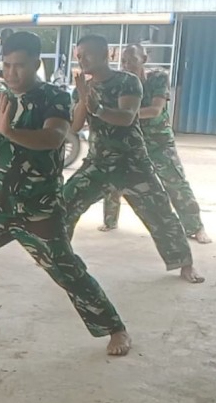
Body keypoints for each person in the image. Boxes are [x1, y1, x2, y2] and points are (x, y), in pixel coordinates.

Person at [0, 32, 132, 356]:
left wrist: (9, 131)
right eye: (7, 65)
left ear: (36, 64)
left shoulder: (52, 97)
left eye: (20, 66)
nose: (11, 73)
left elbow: (54, 138)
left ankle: (115, 328)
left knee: (66, 271)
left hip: (39, 207)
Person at [64, 35, 204, 284]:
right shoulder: (84, 88)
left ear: (105, 54)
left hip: (132, 163)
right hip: (99, 162)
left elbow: (126, 117)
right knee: (63, 205)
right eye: (78, 55)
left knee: (160, 213)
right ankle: (60, 260)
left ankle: (185, 263)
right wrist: (84, 99)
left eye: (87, 54)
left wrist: (96, 107)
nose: (81, 59)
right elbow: (75, 125)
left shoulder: (127, 81)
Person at [95, 44, 212, 244]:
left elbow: (155, 110)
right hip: (131, 140)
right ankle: (110, 220)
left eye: (132, 60)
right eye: (123, 61)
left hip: (158, 141)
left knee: (175, 182)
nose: (126, 65)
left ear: (144, 60)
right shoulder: (121, 82)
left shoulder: (157, 78)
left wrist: (125, 116)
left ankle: (195, 227)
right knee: (113, 178)